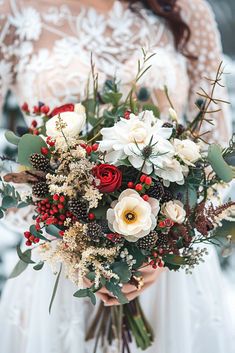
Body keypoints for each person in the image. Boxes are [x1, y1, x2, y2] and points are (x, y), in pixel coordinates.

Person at [0, 1, 234, 352]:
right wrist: (70, 243)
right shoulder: (12, 12)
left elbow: (217, 154)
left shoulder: (186, 8)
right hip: (58, 262)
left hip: (167, 270)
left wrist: (163, 246)